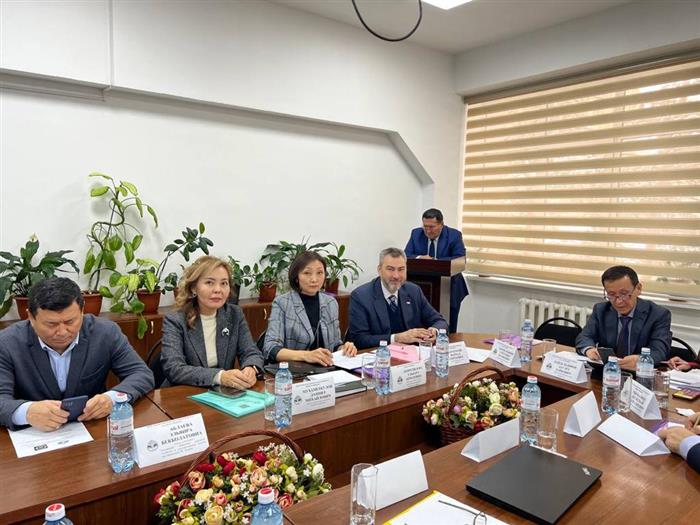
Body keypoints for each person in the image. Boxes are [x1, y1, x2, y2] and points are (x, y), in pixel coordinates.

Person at [0, 277, 154, 431]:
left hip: (92, 428)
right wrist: (26, 412)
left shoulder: (105, 333)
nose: (62, 332)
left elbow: (141, 373)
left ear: (82, 311)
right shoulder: (7, 343)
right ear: (31, 317)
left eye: (70, 322)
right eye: (51, 324)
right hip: (33, 433)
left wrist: (111, 399)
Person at [161, 256, 264, 388]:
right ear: (194, 288)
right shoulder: (176, 320)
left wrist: (251, 367)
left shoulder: (234, 314)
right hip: (184, 392)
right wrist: (219, 376)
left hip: (222, 392)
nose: (218, 290)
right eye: (209, 282)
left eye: (224, 283)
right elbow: (174, 368)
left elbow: (251, 352)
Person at [263, 251, 357, 366]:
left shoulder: (330, 303)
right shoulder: (282, 303)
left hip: (326, 368)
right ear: (296, 277)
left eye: (319, 273)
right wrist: (306, 355)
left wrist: (344, 348)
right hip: (294, 370)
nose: (314, 279)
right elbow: (271, 348)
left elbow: (335, 344)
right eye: (307, 273)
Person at [348, 247, 448, 350]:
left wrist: (434, 331)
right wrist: (396, 338)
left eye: (401, 269)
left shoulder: (414, 291)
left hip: (411, 355)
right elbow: (359, 340)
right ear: (379, 270)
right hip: (379, 355)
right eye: (390, 269)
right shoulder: (361, 296)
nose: (396, 276)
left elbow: (440, 321)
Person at [576, 265, 671, 369]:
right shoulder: (601, 310)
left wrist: (640, 359)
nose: (618, 301)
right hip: (608, 371)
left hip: (639, 373)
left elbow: (659, 351)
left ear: (638, 288)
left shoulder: (658, 314)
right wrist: (589, 349)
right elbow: (585, 337)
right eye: (611, 295)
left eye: (624, 294)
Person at [404, 208, 468, 333]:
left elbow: (459, 258)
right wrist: (420, 258)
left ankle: (448, 342)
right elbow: (406, 255)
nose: (428, 230)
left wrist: (434, 261)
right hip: (422, 286)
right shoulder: (416, 233)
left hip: (450, 287)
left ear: (441, 224)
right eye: (425, 226)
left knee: (449, 324)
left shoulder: (454, 235)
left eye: (432, 227)